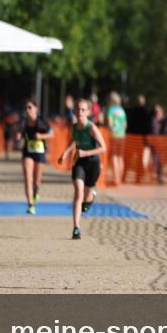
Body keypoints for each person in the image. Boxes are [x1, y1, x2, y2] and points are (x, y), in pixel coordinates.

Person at [57, 99, 107, 240]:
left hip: (93, 162)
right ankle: (76, 228)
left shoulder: (91, 127)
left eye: (83, 110)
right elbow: (74, 140)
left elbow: (103, 147)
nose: (80, 112)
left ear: (88, 112)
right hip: (79, 161)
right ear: (74, 111)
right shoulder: (73, 127)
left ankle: (90, 199)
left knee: (86, 195)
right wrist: (65, 153)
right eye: (78, 109)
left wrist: (86, 152)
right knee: (78, 192)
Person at [16, 99, 54, 214]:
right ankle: (30, 204)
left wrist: (41, 136)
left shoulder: (42, 122)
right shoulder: (23, 122)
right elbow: (19, 133)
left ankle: (36, 192)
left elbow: (52, 134)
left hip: (40, 153)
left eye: (30, 107)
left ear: (36, 109)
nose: (27, 110)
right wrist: (18, 137)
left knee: (36, 180)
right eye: (26, 108)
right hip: (27, 152)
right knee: (28, 178)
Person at [106, 91, 128, 186]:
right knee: (120, 157)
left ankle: (116, 179)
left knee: (114, 156)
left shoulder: (111, 110)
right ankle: (120, 178)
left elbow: (110, 124)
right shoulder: (122, 110)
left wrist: (110, 129)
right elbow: (125, 125)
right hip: (122, 135)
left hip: (114, 135)